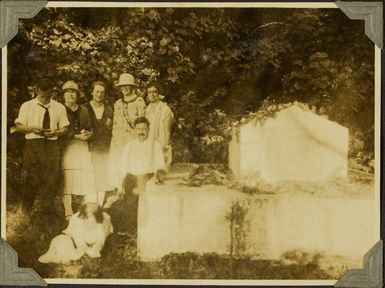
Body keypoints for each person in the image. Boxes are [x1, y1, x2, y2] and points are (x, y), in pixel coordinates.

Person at [15, 77, 69, 214]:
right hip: (33, 145)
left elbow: (65, 129)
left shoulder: (59, 107)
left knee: (50, 180)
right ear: (37, 91)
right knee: (30, 179)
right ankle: (25, 212)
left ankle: (46, 212)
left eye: (48, 96)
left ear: (53, 92)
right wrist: (32, 128)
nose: (45, 99)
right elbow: (19, 127)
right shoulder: (27, 106)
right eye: (42, 96)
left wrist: (56, 132)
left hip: (52, 146)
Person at [61, 81, 97, 219]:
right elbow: (60, 131)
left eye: (74, 92)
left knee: (84, 175)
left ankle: (84, 210)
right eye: (68, 92)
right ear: (64, 95)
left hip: (82, 146)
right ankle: (68, 211)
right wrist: (76, 136)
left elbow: (89, 127)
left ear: (77, 94)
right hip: (67, 146)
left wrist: (88, 134)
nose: (71, 94)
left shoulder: (84, 110)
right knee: (68, 176)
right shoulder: (59, 109)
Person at [108, 73, 146, 189]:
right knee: (119, 169)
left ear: (132, 87)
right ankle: (120, 192)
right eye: (122, 86)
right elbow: (115, 125)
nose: (124, 88)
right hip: (118, 143)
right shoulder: (118, 104)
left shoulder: (139, 102)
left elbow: (142, 124)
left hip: (133, 142)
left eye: (127, 86)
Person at [82, 81, 114, 206]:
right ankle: (89, 206)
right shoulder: (84, 108)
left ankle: (99, 206)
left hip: (104, 148)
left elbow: (111, 128)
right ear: (92, 92)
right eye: (97, 91)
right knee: (89, 176)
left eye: (102, 92)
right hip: (88, 148)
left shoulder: (109, 109)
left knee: (102, 177)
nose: (99, 94)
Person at [118, 116, 166, 194]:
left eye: (144, 129)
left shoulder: (155, 145)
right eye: (138, 129)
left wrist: (155, 180)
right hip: (131, 182)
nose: (141, 132)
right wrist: (120, 187)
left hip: (148, 182)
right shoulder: (129, 145)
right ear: (134, 130)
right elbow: (123, 168)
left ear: (148, 130)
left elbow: (160, 167)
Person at [145, 82, 173, 175]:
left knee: (160, 169)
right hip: (149, 140)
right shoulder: (147, 110)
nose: (152, 94)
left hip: (160, 140)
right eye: (149, 92)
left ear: (158, 93)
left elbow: (167, 130)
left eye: (154, 92)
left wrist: (165, 145)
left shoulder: (165, 109)